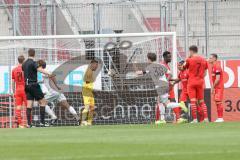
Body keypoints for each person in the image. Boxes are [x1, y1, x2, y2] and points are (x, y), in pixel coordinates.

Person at [136, 52, 185, 124]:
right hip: (165, 85)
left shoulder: (150, 66)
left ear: (149, 59)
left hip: (160, 86)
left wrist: (136, 71)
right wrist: (167, 80)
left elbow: (142, 72)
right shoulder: (161, 65)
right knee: (161, 102)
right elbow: (170, 74)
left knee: (165, 104)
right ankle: (162, 119)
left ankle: (179, 105)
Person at [37, 60, 80, 125]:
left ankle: (53, 116)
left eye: (37, 65)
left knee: (41, 103)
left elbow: (52, 76)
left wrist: (57, 86)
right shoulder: (45, 72)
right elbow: (46, 80)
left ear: (40, 66)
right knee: (66, 105)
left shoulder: (44, 72)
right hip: (58, 92)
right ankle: (78, 118)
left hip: (53, 91)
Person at [22, 49, 53, 127]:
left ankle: (29, 124)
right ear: (34, 54)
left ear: (28, 54)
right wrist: (49, 73)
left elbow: (24, 74)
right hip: (33, 85)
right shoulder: (34, 63)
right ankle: (42, 122)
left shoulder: (24, 64)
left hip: (27, 85)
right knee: (43, 102)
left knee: (29, 105)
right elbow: (40, 70)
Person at [183, 45, 209, 123]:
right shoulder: (204, 60)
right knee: (202, 101)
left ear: (191, 51)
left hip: (191, 82)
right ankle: (206, 118)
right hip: (200, 82)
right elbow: (205, 73)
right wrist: (200, 78)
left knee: (193, 101)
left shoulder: (189, 60)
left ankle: (195, 119)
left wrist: (186, 59)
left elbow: (182, 68)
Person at [81, 59, 99, 126]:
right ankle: (82, 122)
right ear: (92, 65)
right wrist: (94, 90)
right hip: (86, 93)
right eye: (96, 65)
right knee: (87, 107)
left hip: (89, 93)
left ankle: (89, 122)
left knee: (92, 108)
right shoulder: (89, 72)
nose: (97, 67)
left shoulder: (91, 71)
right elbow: (86, 84)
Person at [12, 55, 27, 128]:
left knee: (18, 107)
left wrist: (13, 91)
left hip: (17, 90)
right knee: (28, 106)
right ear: (24, 61)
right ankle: (28, 123)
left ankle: (20, 124)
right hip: (25, 89)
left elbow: (13, 82)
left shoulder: (14, 69)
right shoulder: (25, 69)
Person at [208, 54, 224, 122]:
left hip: (219, 87)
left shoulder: (217, 67)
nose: (209, 59)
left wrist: (212, 87)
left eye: (210, 58)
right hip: (216, 87)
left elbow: (217, 79)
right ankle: (219, 117)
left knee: (218, 101)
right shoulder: (213, 67)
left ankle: (220, 118)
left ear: (214, 59)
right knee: (217, 102)